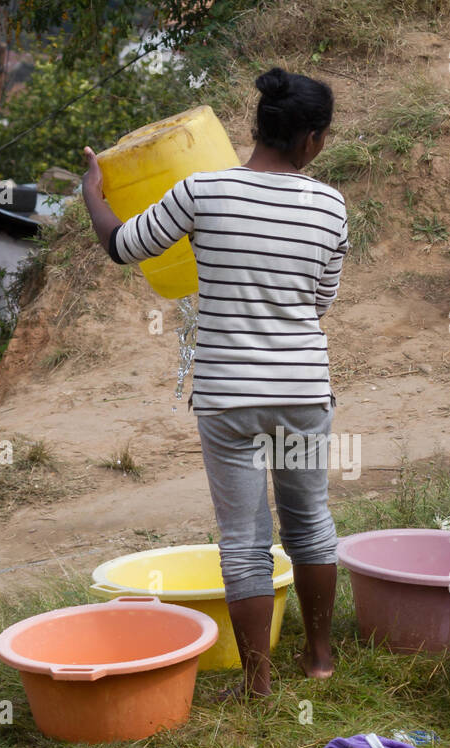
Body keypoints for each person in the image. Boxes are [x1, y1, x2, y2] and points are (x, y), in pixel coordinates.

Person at [80, 67, 349, 698]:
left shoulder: (202, 191)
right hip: (302, 391)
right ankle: (319, 657)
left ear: (258, 126)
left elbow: (121, 246)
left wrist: (92, 188)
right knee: (309, 521)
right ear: (311, 139)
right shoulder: (330, 205)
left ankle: (257, 682)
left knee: (246, 536)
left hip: (228, 395)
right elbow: (321, 300)